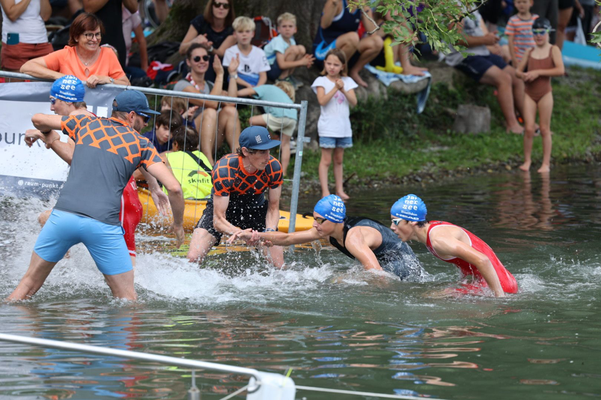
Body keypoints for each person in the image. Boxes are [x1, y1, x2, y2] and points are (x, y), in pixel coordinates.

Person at [8, 90, 186, 301]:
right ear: (130, 116)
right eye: (144, 117)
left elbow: (38, 119)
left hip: (62, 218)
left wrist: (47, 134)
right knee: (127, 299)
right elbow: (174, 188)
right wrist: (178, 224)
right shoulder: (141, 144)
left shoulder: (85, 124)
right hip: (103, 226)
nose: (146, 123)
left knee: (27, 285)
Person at [34, 76, 170, 266]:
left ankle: (68, 272)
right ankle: (68, 272)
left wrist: (50, 138)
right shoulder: (88, 119)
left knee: (127, 269)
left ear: (65, 100)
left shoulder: (81, 120)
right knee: (48, 219)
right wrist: (154, 186)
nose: (51, 108)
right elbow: (140, 154)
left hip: (120, 198)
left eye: (53, 101)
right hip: (116, 195)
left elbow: (74, 158)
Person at [231, 195, 425, 280]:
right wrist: (255, 235)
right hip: (389, 263)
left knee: (341, 281)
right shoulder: (329, 229)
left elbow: (376, 274)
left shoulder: (353, 238)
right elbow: (289, 238)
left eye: (320, 220)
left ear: (335, 220)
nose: (315, 225)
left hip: (404, 265)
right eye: (315, 219)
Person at [187, 126, 284, 268]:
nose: (267, 157)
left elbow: (273, 208)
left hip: (256, 209)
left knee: (279, 266)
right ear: (245, 151)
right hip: (225, 211)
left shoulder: (274, 167)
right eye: (262, 152)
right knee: (192, 258)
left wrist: (269, 233)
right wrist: (240, 233)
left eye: (269, 150)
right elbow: (218, 220)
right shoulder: (224, 169)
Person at [389, 194, 518, 297]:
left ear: (412, 221)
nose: (392, 227)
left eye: (395, 222)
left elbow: (483, 259)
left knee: (427, 298)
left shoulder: (438, 240)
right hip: (503, 280)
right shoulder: (434, 229)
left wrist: (500, 298)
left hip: (499, 286)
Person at [445, 9, 526, 134]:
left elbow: (483, 32)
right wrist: (485, 40)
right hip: (464, 55)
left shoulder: (471, 4)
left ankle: (528, 121)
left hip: (482, 51)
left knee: (517, 77)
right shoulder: (454, 6)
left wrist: (492, 43)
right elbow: (457, 39)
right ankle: (512, 124)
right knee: (504, 79)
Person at [20, 12, 130, 88]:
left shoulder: (108, 54)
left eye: (97, 34)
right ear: (76, 37)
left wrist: (108, 80)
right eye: (89, 35)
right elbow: (26, 67)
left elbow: (127, 85)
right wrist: (60, 77)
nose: (95, 39)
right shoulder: (65, 54)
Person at [173, 43, 240, 165]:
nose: (202, 61)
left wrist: (232, 74)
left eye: (205, 58)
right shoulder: (183, 85)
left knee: (230, 111)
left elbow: (231, 103)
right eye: (197, 58)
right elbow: (212, 103)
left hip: (210, 137)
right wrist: (219, 75)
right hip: (186, 138)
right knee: (210, 111)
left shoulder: (210, 85)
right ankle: (209, 163)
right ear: (188, 62)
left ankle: (238, 158)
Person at [516, 18, 565, 173]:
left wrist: (538, 72)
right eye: (535, 33)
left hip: (545, 94)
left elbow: (560, 70)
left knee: (544, 129)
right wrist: (523, 76)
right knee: (529, 128)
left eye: (541, 32)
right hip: (529, 94)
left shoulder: (553, 50)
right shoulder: (530, 51)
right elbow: (518, 71)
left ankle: (546, 163)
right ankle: (527, 160)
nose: (538, 36)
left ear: (548, 33)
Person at [311, 48, 357, 200]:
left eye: (336, 64)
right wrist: (335, 88)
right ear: (324, 64)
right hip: (328, 127)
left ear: (342, 66)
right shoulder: (321, 81)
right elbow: (322, 101)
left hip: (343, 128)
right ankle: (325, 190)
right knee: (326, 160)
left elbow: (354, 102)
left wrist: (342, 88)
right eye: (329, 63)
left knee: (339, 160)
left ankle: (339, 189)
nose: (332, 67)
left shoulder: (348, 81)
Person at [312, 0, 383, 87]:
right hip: (324, 51)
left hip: (347, 51)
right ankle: (337, 75)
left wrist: (364, 8)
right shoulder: (337, 2)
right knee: (353, 37)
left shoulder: (361, 6)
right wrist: (333, 5)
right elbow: (324, 24)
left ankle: (354, 72)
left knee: (377, 42)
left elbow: (373, 33)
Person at [238, 81, 297, 177]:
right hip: (293, 116)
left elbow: (248, 91)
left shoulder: (266, 87)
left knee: (252, 120)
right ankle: (283, 172)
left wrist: (231, 94)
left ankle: (267, 137)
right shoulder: (284, 96)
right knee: (285, 144)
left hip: (280, 116)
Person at [179, 0, 236, 83]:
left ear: (229, 9)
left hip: (221, 66)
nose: (221, 8)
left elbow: (221, 53)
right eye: (217, 4)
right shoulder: (200, 21)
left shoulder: (233, 27)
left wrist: (209, 48)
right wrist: (195, 41)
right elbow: (182, 49)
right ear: (211, 6)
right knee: (197, 58)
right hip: (196, 63)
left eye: (225, 6)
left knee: (210, 60)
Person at [264, 12, 314, 88]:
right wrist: (301, 62)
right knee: (294, 49)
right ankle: (282, 78)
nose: (287, 29)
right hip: (270, 70)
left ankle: (288, 76)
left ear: (295, 29)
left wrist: (306, 61)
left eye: (290, 26)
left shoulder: (291, 41)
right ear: (279, 29)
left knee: (301, 48)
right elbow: (281, 64)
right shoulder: (278, 41)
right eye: (284, 26)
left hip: (277, 67)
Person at [161, 126, 213, 200]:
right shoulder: (202, 157)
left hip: (186, 202)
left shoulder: (169, 157)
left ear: (176, 144)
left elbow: (139, 172)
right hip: (209, 200)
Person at [0, 0, 53, 72]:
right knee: (15, 82)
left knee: (43, 82)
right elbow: (12, 14)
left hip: (41, 41)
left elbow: (46, 17)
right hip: (16, 41)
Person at [84, 0, 137, 67]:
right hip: (96, 41)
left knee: (119, 75)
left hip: (117, 39)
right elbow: (89, 8)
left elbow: (134, 7)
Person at [223, 16, 271, 88]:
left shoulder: (260, 52)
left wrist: (256, 89)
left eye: (247, 31)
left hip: (256, 83)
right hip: (238, 81)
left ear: (253, 34)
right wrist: (248, 86)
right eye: (240, 32)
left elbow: (263, 76)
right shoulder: (229, 52)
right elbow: (231, 74)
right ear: (235, 34)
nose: (244, 34)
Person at [506, 0, 539, 67]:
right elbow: (510, 41)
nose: (521, 4)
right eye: (519, 2)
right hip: (519, 58)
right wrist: (514, 59)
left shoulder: (536, 19)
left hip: (534, 57)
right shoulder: (513, 20)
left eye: (524, 2)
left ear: (531, 3)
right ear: (515, 4)